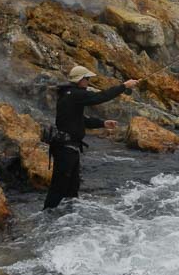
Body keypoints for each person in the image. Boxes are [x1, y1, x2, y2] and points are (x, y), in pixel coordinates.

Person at [42, 65, 139, 210]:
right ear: (80, 80)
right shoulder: (75, 94)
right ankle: (47, 217)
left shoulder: (69, 94)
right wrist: (124, 86)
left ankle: (69, 218)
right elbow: (100, 97)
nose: (88, 81)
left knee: (72, 188)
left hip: (70, 148)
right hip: (65, 149)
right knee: (59, 187)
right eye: (87, 79)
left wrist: (103, 123)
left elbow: (80, 120)